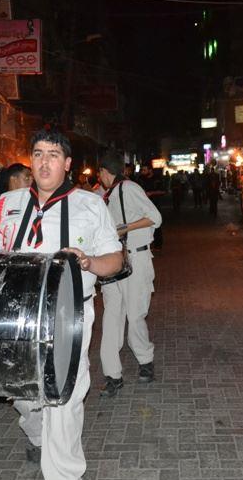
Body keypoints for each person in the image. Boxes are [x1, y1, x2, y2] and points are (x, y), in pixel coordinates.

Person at [0, 130, 122, 478]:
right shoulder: (4, 205)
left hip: (69, 315)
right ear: (31, 160)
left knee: (64, 395)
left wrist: (88, 262)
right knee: (23, 393)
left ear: (68, 163)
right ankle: (36, 431)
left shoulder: (91, 204)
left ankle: (63, 472)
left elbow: (115, 260)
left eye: (54, 155)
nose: (45, 162)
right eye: (39, 154)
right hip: (15, 316)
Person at [96, 154, 162, 398]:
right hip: (113, 262)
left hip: (136, 259)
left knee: (135, 316)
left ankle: (146, 361)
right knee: (111, 319)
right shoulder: (105, 195)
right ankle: (112, 375)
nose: (98, 178)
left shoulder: (129, 188)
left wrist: (126, 227)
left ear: (105, 171)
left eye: (99, 173)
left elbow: (156, 217)